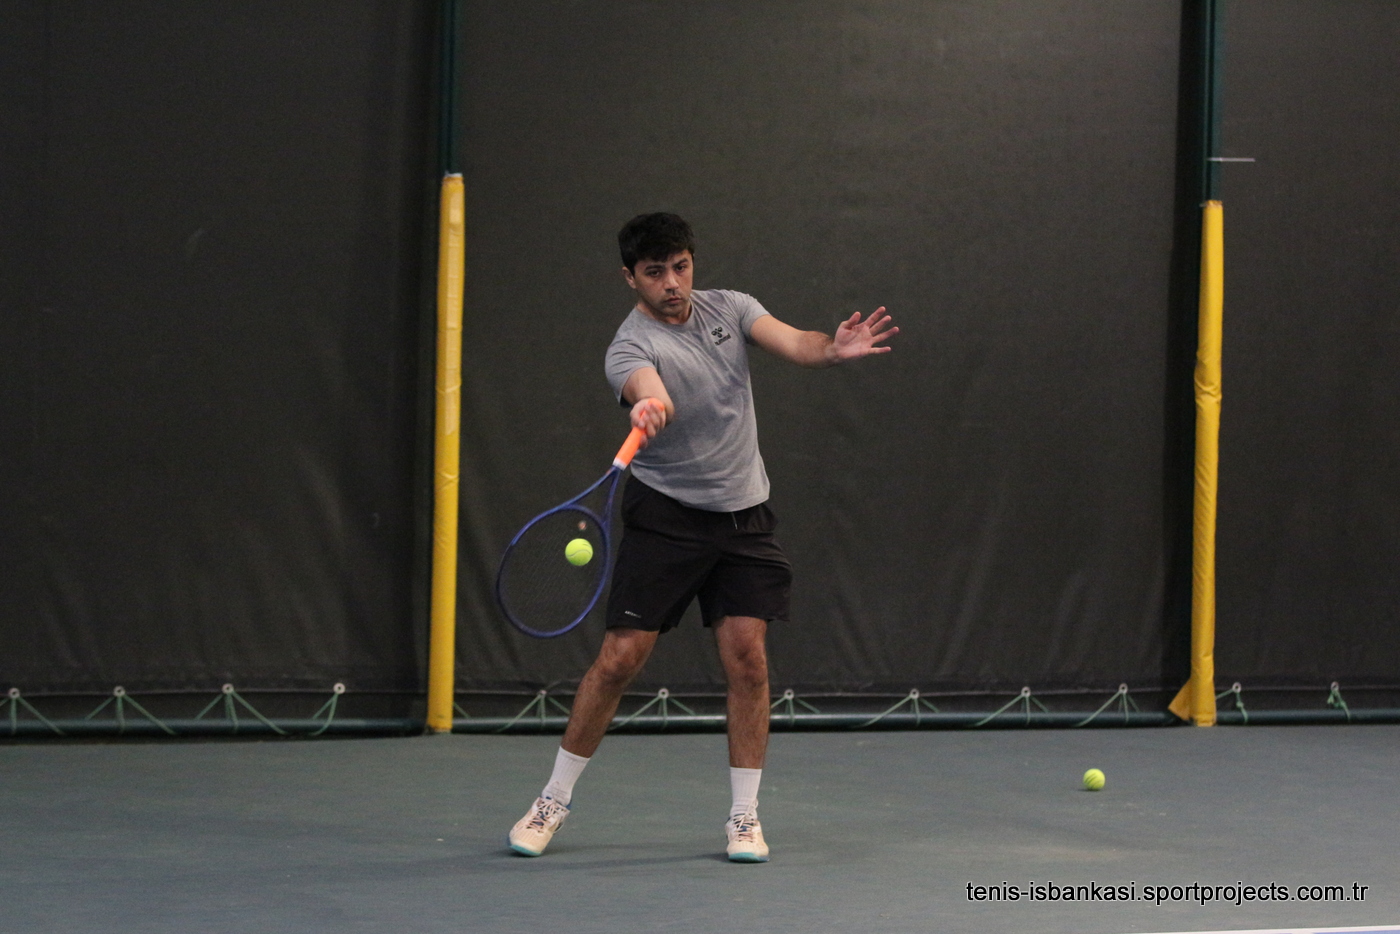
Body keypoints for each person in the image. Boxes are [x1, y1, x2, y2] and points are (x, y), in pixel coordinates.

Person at [508, 212, 898, 862]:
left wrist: (831, 349)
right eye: (655, 272)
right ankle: (552, 799)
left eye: (681, 267)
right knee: (619, 661)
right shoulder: (628, 347)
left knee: (748, 659)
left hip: (744, 517)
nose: (672, 283)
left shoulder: (731, 308)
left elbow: (794, 341)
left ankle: (744, 817)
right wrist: (649, 403)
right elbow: (646, 387)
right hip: (668, 519)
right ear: (630, 277)